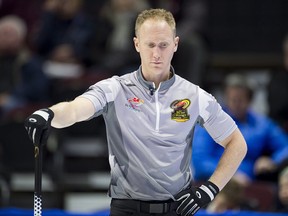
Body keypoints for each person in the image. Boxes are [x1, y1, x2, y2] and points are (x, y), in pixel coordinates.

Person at [24, 9, 247, 216]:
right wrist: (49, 115)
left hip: (178, 208)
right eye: (150, 45)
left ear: (176, 44)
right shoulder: (115, 88)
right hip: (126, 208)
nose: (156, 54)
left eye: (163, 45)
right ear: (136, 44)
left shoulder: (196, 96)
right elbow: (75, 110)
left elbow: (237, 143)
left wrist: (211, 188)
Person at [192, 73, 288, 185]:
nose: (236, 104)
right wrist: (231, 175)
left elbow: (285, 147)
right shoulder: (211, 121)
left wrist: (273, 161)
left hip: (251, 184)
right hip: (213, 182)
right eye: (233, 99)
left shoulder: (261, 124)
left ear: (250, 100)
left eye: (240, 100)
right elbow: (200, 161)